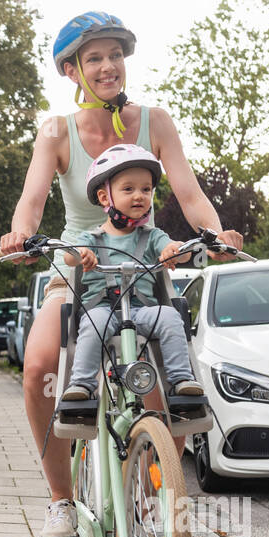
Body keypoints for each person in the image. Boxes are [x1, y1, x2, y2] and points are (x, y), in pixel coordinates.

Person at [0, 11, 242, 537]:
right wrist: (20, 236)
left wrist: (215, 234)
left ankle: (146, 496)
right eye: (95, 58)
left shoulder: (157, 121)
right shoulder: (56, 130)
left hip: (145, 270)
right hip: (80, 274)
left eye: (116, 55)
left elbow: (190, 194)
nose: (109, 66)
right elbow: (32, 202)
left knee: (176, 399)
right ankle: (61, 500)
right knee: (39, 366)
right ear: (72, 71)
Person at [59, 143, 204, 404]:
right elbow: (70, 256)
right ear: (105, 198)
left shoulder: (152, 236)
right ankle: (81, 384)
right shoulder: (91, 237)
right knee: (94, 325)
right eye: (129, 189)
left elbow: (179, 252)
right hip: (103, 309)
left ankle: (181, 380)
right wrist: (83, 254)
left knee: (170, 316)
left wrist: (174, 251)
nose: (139, 195)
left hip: (142, 310)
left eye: (146, 189)